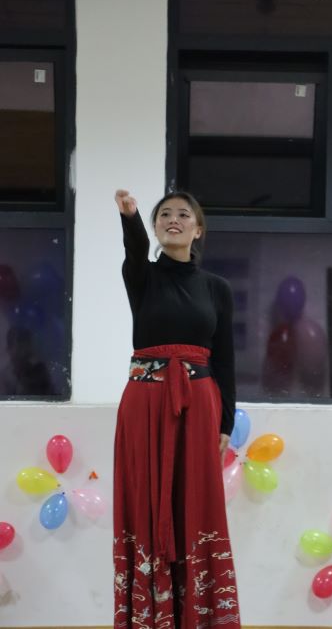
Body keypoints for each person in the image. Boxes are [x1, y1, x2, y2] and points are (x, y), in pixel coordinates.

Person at [113, 189, 241, 629]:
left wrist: (225, 422)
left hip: (199, 405)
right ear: (154, 228)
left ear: (197, 229)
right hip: (145, 405)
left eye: (183, 214)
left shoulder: (217, 289)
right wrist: (130, 217)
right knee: (146, 501)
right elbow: (134, 250)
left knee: (196, 503)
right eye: (164, 214)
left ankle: (196, 615)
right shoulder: (142, 277)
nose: (174, 219)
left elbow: (225, 359)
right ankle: (151, 615)